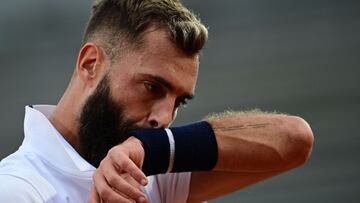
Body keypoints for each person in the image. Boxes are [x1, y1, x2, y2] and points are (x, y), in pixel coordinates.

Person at [0, 0, 314, 202]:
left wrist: (152, 149)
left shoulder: (151, 168)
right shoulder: (18, 189)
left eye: (179, 102)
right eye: (152, 87)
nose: (164, 119)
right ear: (90, 64)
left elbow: (294, 139)